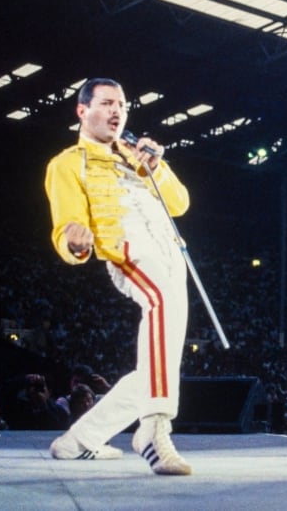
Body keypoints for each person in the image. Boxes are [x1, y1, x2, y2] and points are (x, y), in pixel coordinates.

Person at [43, 77, 193, 475]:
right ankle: (153, 428)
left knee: (154, 367)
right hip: (129, 250)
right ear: (82, 110)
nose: (117, 111)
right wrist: (74, 243)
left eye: (122, 105)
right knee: (160, 303)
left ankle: (78, 441)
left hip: (168, 251)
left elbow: (180, 203)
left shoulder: (137, 155)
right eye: (107, 103)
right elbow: (67, 225)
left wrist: (157, 168)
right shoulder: (66, 164)